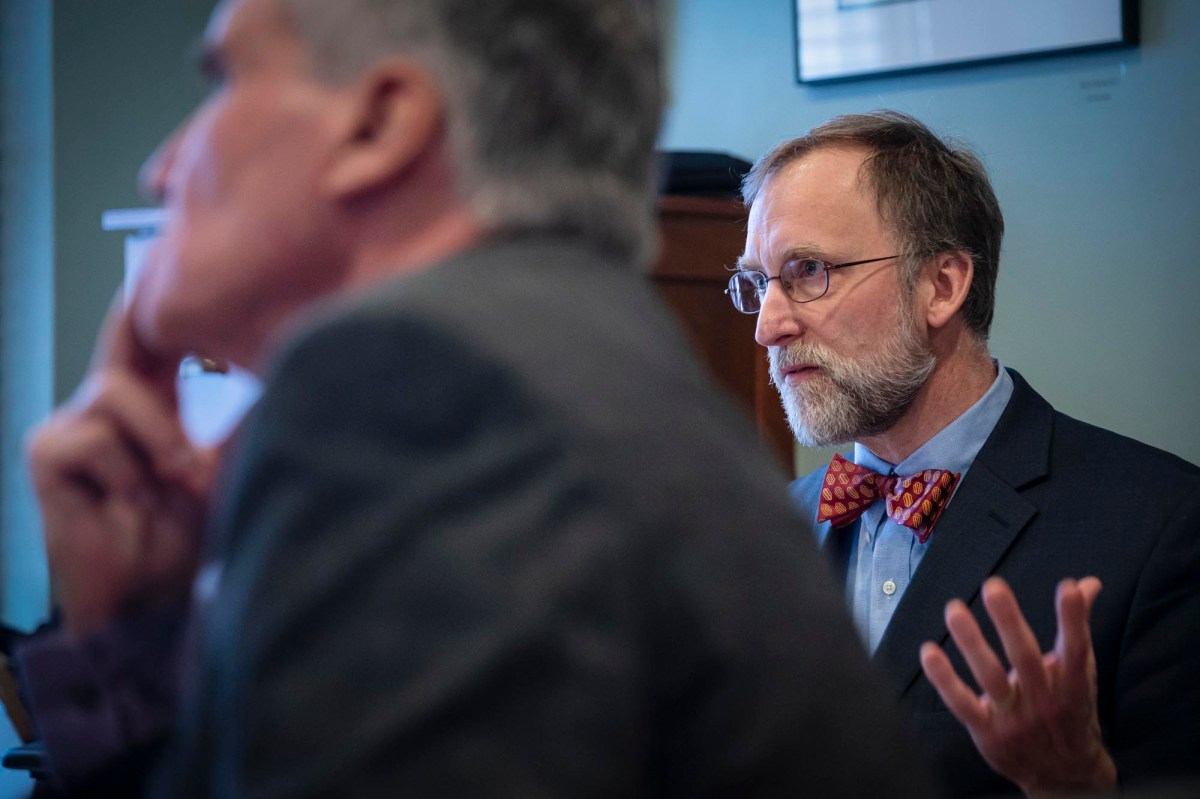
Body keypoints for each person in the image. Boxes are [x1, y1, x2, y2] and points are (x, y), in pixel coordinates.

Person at [13, 2, 935, 796]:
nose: (161, 167)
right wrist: (136, 632)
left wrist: (120, 665)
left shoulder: (410, 386)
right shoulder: (584, 369)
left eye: (223, 80)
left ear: (379, 125)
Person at [730, 110, 1200, 798]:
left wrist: (1076, 785)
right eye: (758, 282)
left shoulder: (1163, 525)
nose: (769, 325)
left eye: (808, 271)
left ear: (942, 285)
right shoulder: (766, 532)